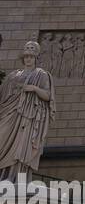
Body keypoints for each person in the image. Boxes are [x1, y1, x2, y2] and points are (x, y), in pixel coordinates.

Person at [0, 41, 56, 179]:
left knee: (22, 144)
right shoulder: (13, 75)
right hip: (9, 112)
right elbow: (3, 96)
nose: (28, 58)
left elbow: (48, 96)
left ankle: (15, 176)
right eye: (26, 56)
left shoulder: (41, 74)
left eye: (31, 56)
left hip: (28, 115)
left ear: (36, 57)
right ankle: (3, 174)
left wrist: (35, 89)